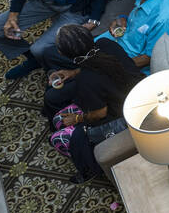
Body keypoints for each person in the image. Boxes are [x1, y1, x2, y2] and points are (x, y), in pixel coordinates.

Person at [44, 24, 141, 183]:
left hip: (123, 116)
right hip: (137, 93)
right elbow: (99, 66)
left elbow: (100, 113)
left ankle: (90, 169)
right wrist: (73, 72)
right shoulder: (106, 44)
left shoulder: (86, 81)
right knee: (59, 119)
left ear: (62, 54)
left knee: (59, 137)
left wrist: (77, 119)